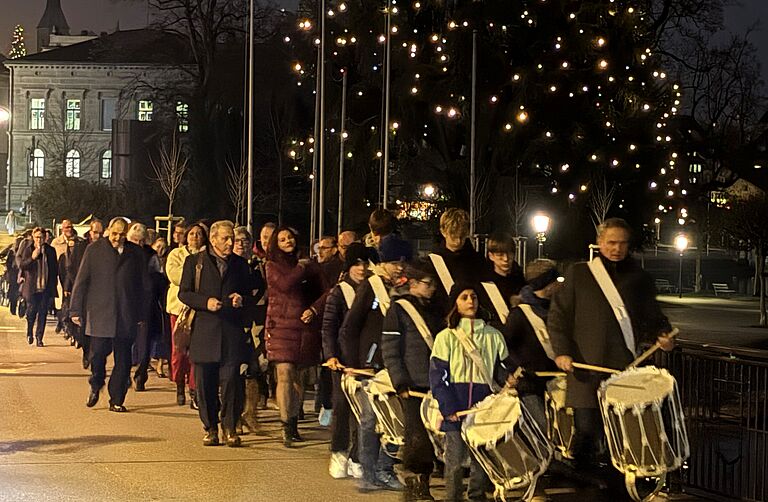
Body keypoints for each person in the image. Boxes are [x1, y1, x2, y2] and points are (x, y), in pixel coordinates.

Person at [548, 217, 676, 477]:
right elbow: (558, 316)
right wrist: (562, 351)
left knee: (620, 438)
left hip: (622, 370)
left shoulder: (638, 278)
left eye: (622, 244)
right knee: (586, 432)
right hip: (585, 370)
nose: (616, 249)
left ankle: (614, 490)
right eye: (611, 243)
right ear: (599, 242)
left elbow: (652, 316)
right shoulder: (579, 273)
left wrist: (663, 335)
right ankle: (584, 488)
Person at [339, 229, 412, 492]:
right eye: (394, 262)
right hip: (370, 365)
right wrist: (353, 363)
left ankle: (385, 468)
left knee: (398, 421)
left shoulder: (403, 288)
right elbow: (350, 327)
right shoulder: (372, 286)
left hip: (396, 365)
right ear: (382, 263)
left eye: (402, 262)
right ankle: (368, 474)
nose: (399, 267)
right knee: (370, 421)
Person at [429, 284, 511, 502]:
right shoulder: (445, 337)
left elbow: (502, 369)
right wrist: (448, 407)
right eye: (464, 297)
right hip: (455, 401)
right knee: (454, 460)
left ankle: (476, 496)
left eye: (473, 296)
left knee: (481, 458)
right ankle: (453, 497)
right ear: (455, 303)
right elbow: (438, 376)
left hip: (483, 403)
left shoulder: (494, 335)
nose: (470, 301)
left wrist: (510, 381)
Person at [178, 220, 252, 447]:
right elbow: (184, 293)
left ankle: (229, 426)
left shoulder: (240, 264)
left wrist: (241, 299)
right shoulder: (195, 262)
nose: (231, 243)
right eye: (225, 238)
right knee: (205, 384)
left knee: (231, 381)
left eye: (233, 238)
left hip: (231, 331)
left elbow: (250, 294)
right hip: (204, 331)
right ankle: (210, 427)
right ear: (213, 239)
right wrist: (205, 302)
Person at [70, 217, 150, 412]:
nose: (118, 238)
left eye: (122, 234)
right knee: (97, 355)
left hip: (126, 314)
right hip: (100, 313)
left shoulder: (136, 253)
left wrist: (142, 312)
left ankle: (117, 399)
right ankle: (96, 384)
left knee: (123, 361)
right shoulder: (94, 250)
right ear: (108, 231)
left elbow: (143, 286)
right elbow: (81, 281)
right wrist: (75, 309)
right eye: (114, 233)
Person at [382, 262, 442, 501]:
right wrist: (400, 381)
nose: (433, 288)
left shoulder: (436, 308)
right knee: (417, 436)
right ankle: (418, 482)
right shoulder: (398, 310)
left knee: (433, 434)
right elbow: (390, 349)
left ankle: (419, 477)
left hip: (436, 381)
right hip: (412, 383)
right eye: (428, 284)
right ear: (414, 284)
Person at [264, 226, 326, 447]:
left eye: (290, 237)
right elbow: (284, 284)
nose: (287, 241)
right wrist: (301, 267)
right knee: (284, 374)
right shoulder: (271, 266)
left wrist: (314, 310)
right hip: (280, 326)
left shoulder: (310, 266)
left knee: (299, 378)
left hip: (303, 326)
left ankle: (293, 420)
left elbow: (326, 291)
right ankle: (285, 424)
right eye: (282, 239)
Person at [322, 242, 371, 480]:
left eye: (365, 263)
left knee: (365, 412)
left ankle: (357, 456)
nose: (362, 268)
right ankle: (338, 452)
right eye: (357, 264)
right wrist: (330, 354)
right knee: (342, 408)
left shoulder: (375, 291)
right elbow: (329, 326)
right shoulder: (339, 292)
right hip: (342, 361)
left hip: (367, 360)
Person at [502, 259, 563, 429]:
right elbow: (503, 348)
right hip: (529, 385)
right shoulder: (519, 315)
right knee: (545, 429)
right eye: (557, 281)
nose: (560, 285)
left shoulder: (557, 310)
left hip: (555, 382)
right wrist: (511, 371)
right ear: (547, 285)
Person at [165, 222, 208, 408]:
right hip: (179, 308)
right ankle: (179, 384)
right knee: (179, 351)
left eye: (199, 234)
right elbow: (174, 276)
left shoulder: (208, 257)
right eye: (192, 234)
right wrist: (193, 274)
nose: (195, 237)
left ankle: (194, 389)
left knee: (195, 352)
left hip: (199, 308)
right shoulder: (176, 254)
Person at [233, 226, 266, 434]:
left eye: (245, 240)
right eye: (237, 240)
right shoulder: (227, 265)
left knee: (254, 370)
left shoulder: (256, 265)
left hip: (254, 322)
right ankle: (233, 416)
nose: (241, 243)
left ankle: (250, 413)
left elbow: (262, 290)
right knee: (234, 373)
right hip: (233, 323)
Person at [428, 208, 488, 316]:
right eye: (454, 236)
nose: (458, 241)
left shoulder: (477, 260)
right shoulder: (433, 262)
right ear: (443, 231)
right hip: (443, 318)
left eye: (462, 236)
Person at [18, 227, 58, 346]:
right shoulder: (28, 249)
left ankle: (39, 337)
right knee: (31, 312)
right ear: (33, 238)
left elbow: (54, 269)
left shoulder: (50, 251)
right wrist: (33, 258)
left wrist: (53, 285)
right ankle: (29, 332)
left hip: (45, 288)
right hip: (32, 288)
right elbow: (23, 265)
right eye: (37, 237)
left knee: (43, 313)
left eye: (41, 237)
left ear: (45, 238)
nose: (39, 239)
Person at [485, 232, 526, 305]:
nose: (506, 259)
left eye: (510, 254)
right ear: (491, 256)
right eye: (500, 255)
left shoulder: (521, 278)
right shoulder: (485, 282)